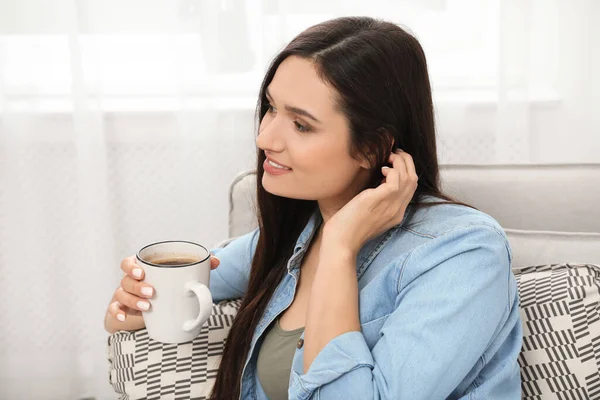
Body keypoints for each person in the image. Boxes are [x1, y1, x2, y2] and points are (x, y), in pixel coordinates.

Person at [104, 16, 522, 400]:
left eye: (301, 125)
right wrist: (135, 303)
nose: (266, 137)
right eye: (270, 107)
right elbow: (164, 300)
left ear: (371, 147)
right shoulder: (297, 234)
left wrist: (341, 247)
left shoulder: (465, 253)